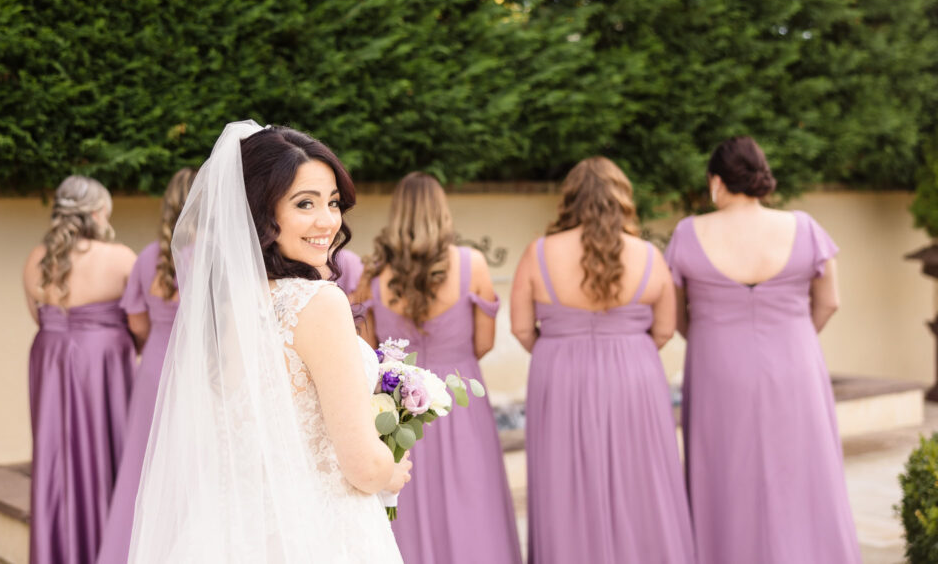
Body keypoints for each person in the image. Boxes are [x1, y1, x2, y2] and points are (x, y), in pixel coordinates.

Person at [128, 122, 410, 562]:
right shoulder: (319, 304)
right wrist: (390, 471)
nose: (327, 221)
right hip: (318, 532)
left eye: (333, 202)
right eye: (305, 203)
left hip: (228, 529)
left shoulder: (223, 304)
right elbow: (361, 465)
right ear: (261, 213)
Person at [664, 136, 859, 564]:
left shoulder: (687, 232)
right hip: (795, 365)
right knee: (803, 472)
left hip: (717, 368)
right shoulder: (804, 227)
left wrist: (708, 337)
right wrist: (796, 335)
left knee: (725, 475)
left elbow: (674, 314)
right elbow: (829, 301)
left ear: (716, 181)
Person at [510, 157, 695, 564]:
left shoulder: (539, 252)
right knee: (642, 480)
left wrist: (561, 345)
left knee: (565, 482)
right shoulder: (649, 254)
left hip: (559, 374)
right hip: (635, 373)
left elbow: (522, 328)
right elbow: (665, 329)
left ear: (570, 199)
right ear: (622, 199)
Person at [355, 172, 521, 564]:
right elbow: (483, 343)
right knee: (474, 501)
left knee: (408, 503)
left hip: (400, 414)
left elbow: (367, 357)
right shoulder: (473, 265)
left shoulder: (373, 276)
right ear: (441, 212)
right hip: (461, 403)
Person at [21, 175, 137, 564]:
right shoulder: (121, 257)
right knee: (107, 455)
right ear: (99, 212)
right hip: (102, 362)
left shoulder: (37, 258)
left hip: (50, 358)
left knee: (56, 456)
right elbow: (141, 324)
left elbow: (41, 319)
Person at [96, 167, 196, 564]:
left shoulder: (147, 258)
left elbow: (136, 321)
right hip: (196, 372)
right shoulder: (218, 257)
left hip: (154, 366)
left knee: (142, 465)